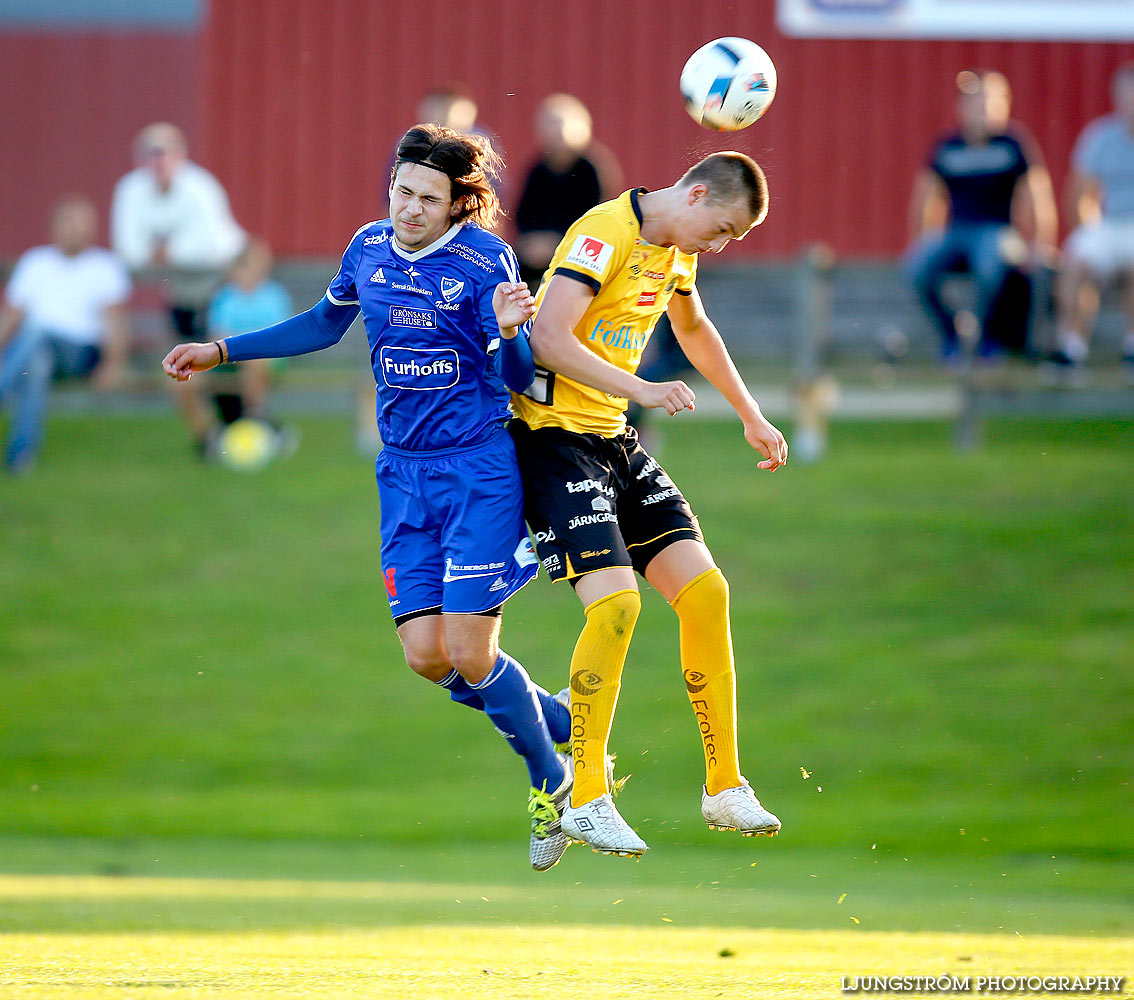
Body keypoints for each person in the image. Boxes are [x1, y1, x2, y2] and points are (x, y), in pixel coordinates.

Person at [162, 124, 579, 872]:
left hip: (478, 469)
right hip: (403, 473)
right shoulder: (369, 249)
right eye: (401, 190)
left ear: (458, 207)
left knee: (468, 650)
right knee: (426, 657)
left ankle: (553, 777)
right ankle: (557, 718)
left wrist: (514, 332)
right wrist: (222, 349)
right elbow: (324, 324)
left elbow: (519, 376)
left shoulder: (485, 261)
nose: (408, 208)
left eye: (427, 198)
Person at [509, 152, 788, 857]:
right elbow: (547, 336)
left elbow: (693, 330)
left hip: (611, 437)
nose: (717, 247)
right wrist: (641, 389)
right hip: (551, 440)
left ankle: (724, 785)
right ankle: (587, 795)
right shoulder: (605, 232)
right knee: (618, 605)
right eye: (720, 230)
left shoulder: (675, 249)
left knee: (706, 592)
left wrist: (751, 414)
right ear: (694, 196)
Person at [111, 122, 247, 454]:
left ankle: (244, 427)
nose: (158, 161)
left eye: (164, 152)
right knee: (183, 365)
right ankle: (209, 438)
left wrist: (162, 252)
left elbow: (209, 249)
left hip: (220, 287)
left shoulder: (200, 187)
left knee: (225, 360)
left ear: (180, 154)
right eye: (151, 153)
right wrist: (174, 253)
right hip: (179, 293)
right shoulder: (131, 190)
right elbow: (128, 252)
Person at [905, 70, 1057, 362]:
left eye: (990, 101)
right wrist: (921, 240)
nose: (983, 109)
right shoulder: (948, 146)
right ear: (961, 107)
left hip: (1000, 231)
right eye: (976, 102)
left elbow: (1037, 196)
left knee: (989, 262)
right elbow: (926, 197)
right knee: (915, 268)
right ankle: (953, 336)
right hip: (957, 231)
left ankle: (986, 339)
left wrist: (1041, 244)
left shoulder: (1013, 144)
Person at [0, 195, 130, 473]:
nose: (74, 228)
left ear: (91, 228)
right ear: (53, 228)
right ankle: (20, 458)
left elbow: (114, 323)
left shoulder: (104, 266)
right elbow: (10, 318)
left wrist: (112, 364)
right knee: (36, 364)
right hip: (37, 352)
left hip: (81, 353)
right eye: (67, 222)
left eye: (80, 222)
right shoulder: (34, 262)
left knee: (37, 331)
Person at [1050, 62, 1134, 377]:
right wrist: (1088, 228)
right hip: (1108, 224)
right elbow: (1079, 193)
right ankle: (1071, 346)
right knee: (1077, 259)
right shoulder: (1100, 136)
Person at [514, 93, 623, 288]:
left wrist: (557, 241)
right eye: (549, 126)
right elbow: (523, 215)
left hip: (583, 252)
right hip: (538, 256)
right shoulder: (537, 169)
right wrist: (531, 241)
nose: (555, 134)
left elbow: (599, 218)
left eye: (560, 126)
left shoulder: (592, 169)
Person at [206, 238, 293, 431]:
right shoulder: (225, 297)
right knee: (188, 382)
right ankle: (207, 436)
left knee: (255, 363)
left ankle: (254, 417)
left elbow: (279, 335)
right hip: (229, 358)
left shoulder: (274, 296)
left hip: (264, 357)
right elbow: (217, 334)